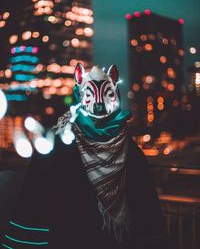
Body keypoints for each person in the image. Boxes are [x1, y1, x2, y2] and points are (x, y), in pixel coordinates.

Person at [1, 64, 167, 249]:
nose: (99, 105)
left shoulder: (129, 149)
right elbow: (35, 202)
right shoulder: (60, 145)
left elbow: (145, 207)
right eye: (90, 95)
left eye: (106, 94)